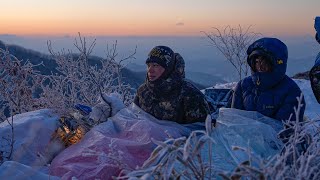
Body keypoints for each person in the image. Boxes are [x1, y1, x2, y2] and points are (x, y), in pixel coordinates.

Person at [231, 37, 305, 122]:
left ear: (276, 64)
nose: (260, 66)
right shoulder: (243, 85)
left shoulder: (292, 92)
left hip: (273, 135)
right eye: (257, 61)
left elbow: (286, 130)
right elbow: (234, 119)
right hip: (241, 135)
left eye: (265, 62)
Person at [134, 45, 210, 124]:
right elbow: (133, 120)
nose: (150, 70)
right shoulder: (143, 91)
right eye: (148, 65)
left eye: (155, 65)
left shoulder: (190, 95)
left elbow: (202, 132)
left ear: (168, 68)